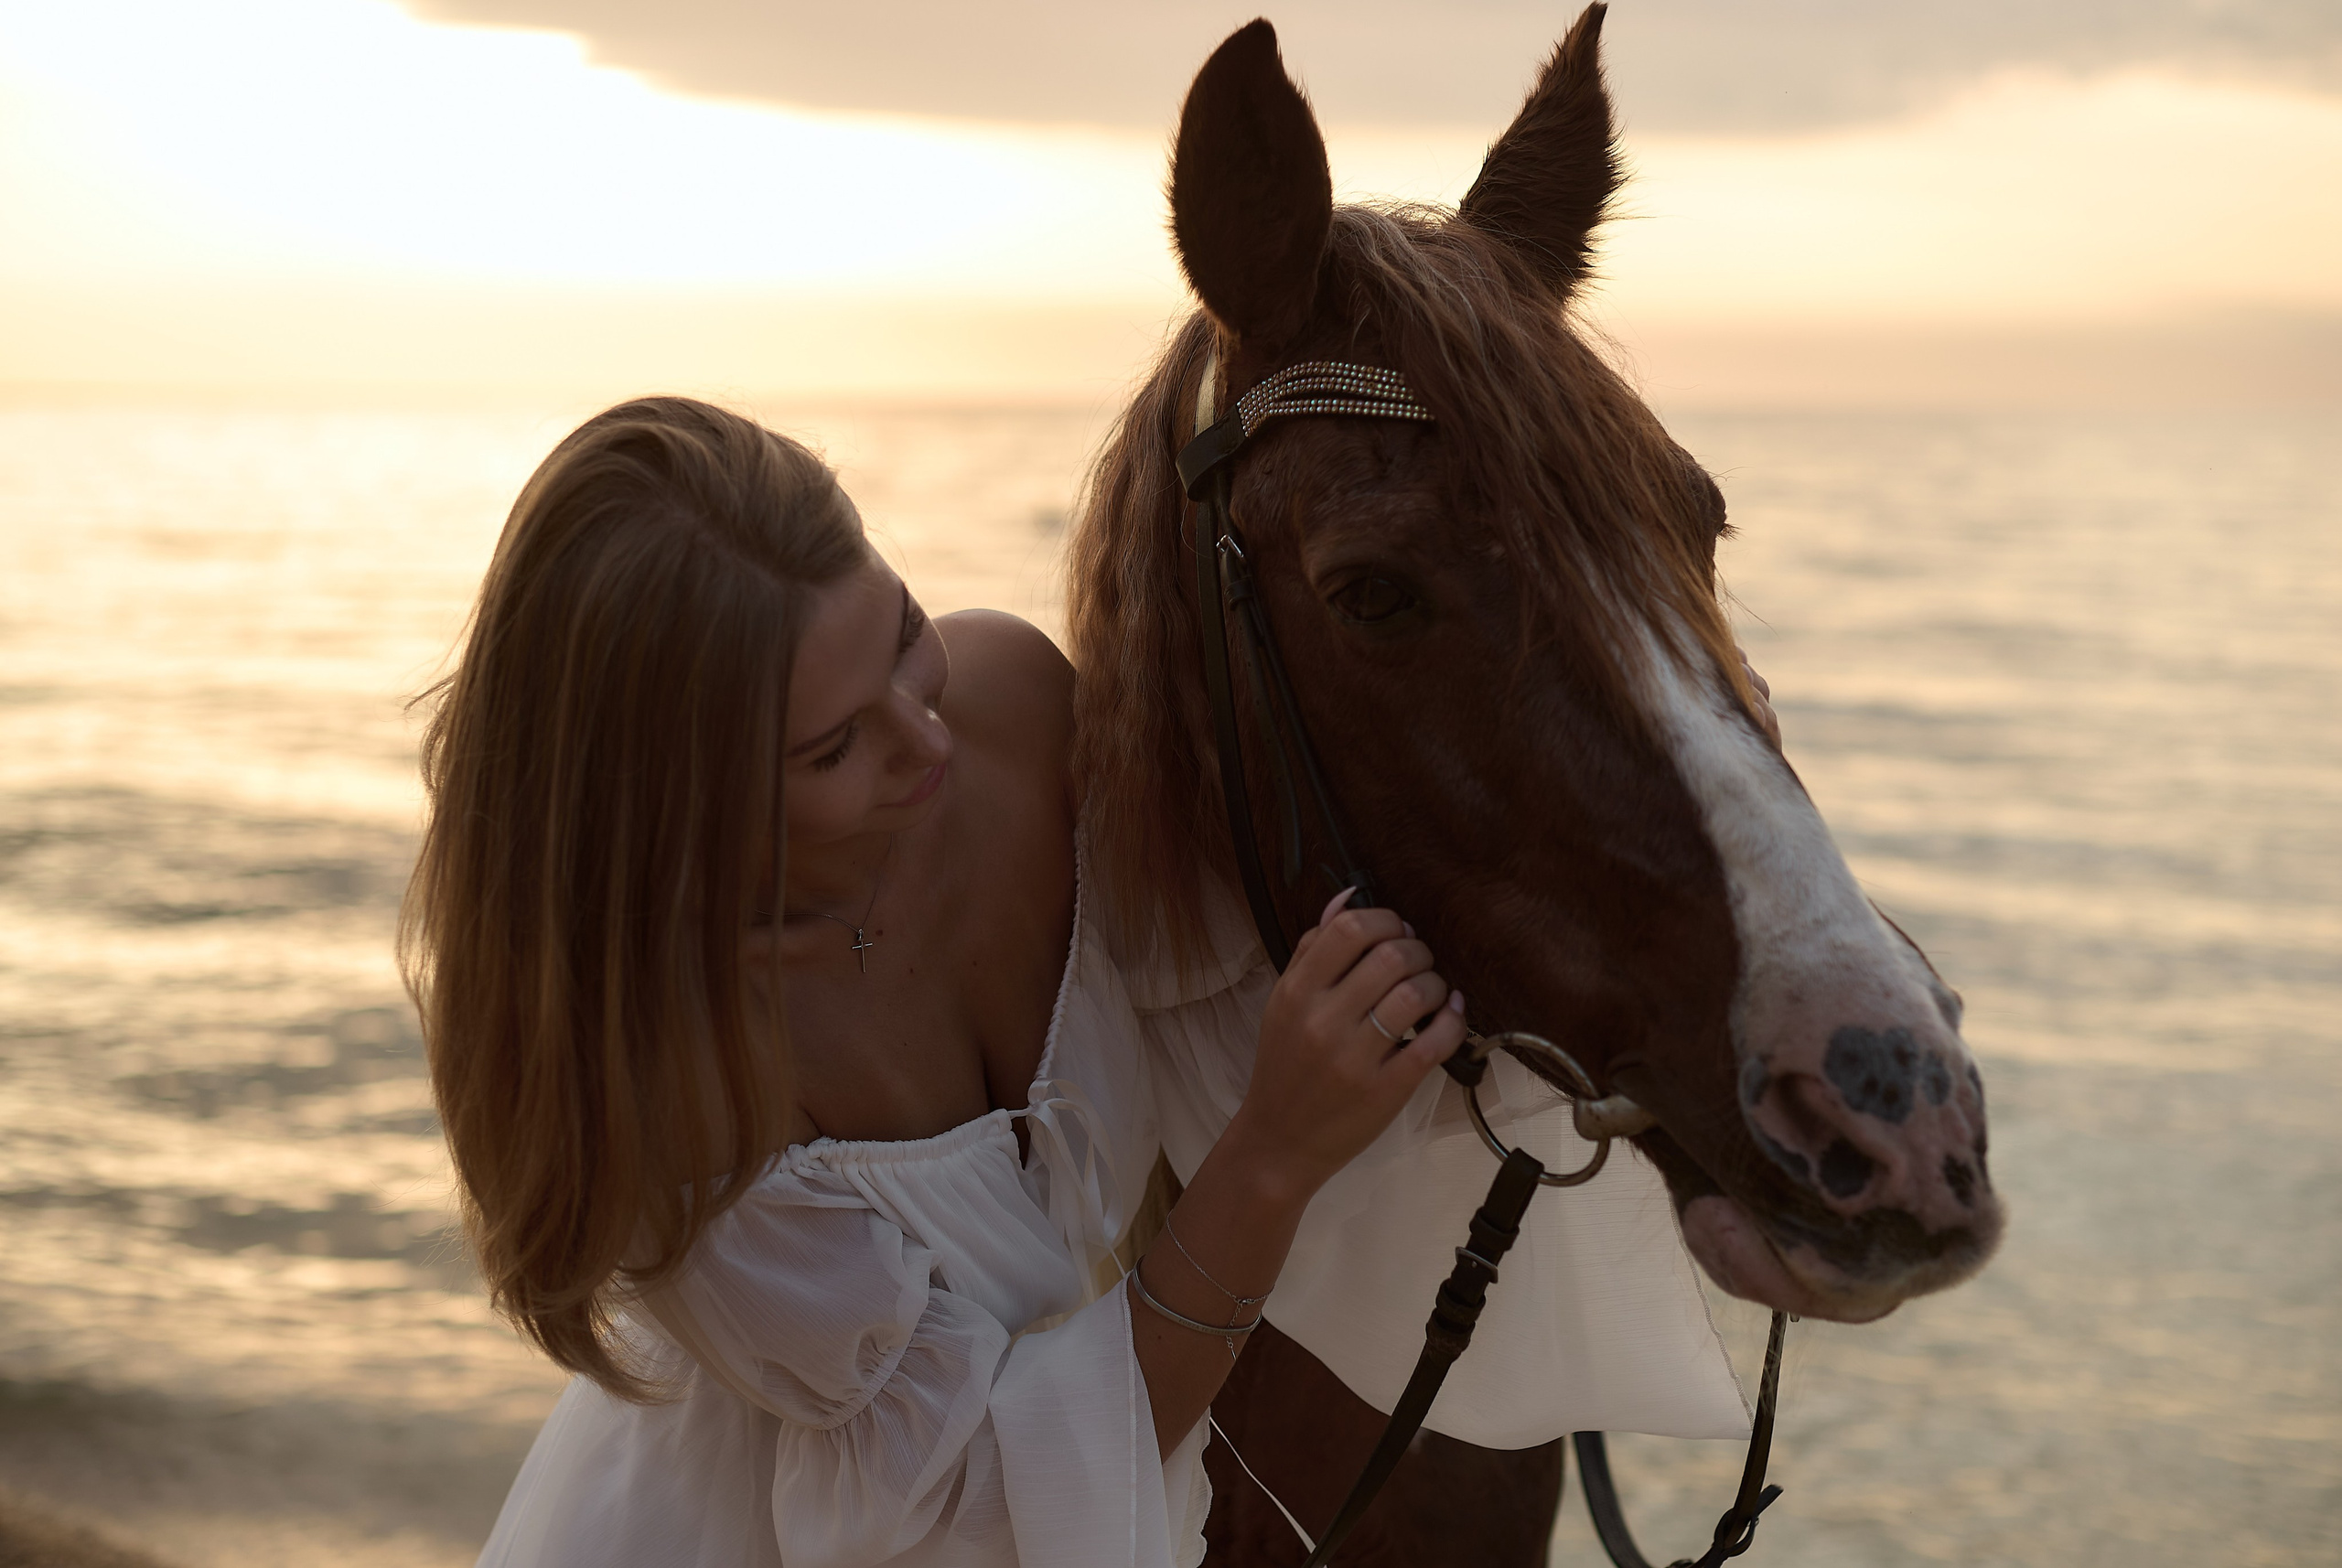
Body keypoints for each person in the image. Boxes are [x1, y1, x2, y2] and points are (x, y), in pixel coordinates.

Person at [403, 397, 1753, 1568]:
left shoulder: (1007, 707)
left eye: (899, 635)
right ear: (674, 811)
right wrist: (1270, 1158)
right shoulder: (677, 1081)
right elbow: (981, 1507)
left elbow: (1257, 946)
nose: (923, 736)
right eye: (831, 749)